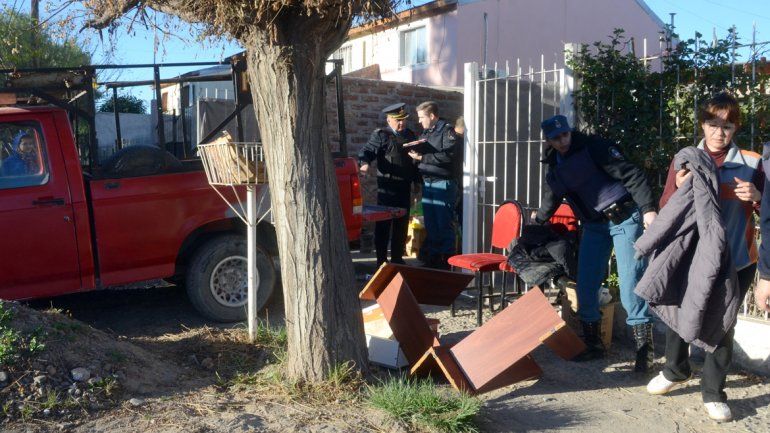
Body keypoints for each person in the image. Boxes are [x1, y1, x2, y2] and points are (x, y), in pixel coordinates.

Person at [645, 93, 764, 422]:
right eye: (713, 124)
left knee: (723, 325)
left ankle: (713, 392)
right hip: (692, 258)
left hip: (737, 260)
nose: (719, 132)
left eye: (727, 125)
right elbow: (666, 205)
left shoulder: (753, 163)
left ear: (736, 127)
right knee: (680, 314)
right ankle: (675, 370)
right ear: (703, 124)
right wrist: (679, 188)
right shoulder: (686, 159)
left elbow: (766, 210)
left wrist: (757, 196)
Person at [532, 114, 658, 370]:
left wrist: (647, 208)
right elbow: (553, 196)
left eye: (565, 134)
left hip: (624, 218)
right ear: (549, 140)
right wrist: (539, 219)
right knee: (586, 283)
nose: (562, 140)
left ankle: (644, 353)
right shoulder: (555, 164)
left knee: (630, 281)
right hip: (593, 225)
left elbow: (631, 174)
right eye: (556, 138)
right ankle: (593, 345)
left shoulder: (594, 147)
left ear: (570, 131)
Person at [358, 103, 419, 267]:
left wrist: (417, 183)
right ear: (389, 120)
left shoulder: (410, 135)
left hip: (404, 187)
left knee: (401, 224)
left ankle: (398, 258)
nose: (402, 124)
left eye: (404, 120)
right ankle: (381, 260)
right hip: (387, 188)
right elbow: (367, 151)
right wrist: (364, 164)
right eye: (398, 121)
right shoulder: (381, 135)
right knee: (384, 225)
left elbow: (414, 162)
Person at [408, 101, 459, 270]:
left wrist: (422, 158)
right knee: (431, 224)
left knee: (443, 224)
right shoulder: (427, 131)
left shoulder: (446, 131)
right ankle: (434, 257)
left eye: (422, 117)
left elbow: (448, 157)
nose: (420, 121)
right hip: (428, 182)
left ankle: (446, 260)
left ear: (432, 116)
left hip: (442, 183)